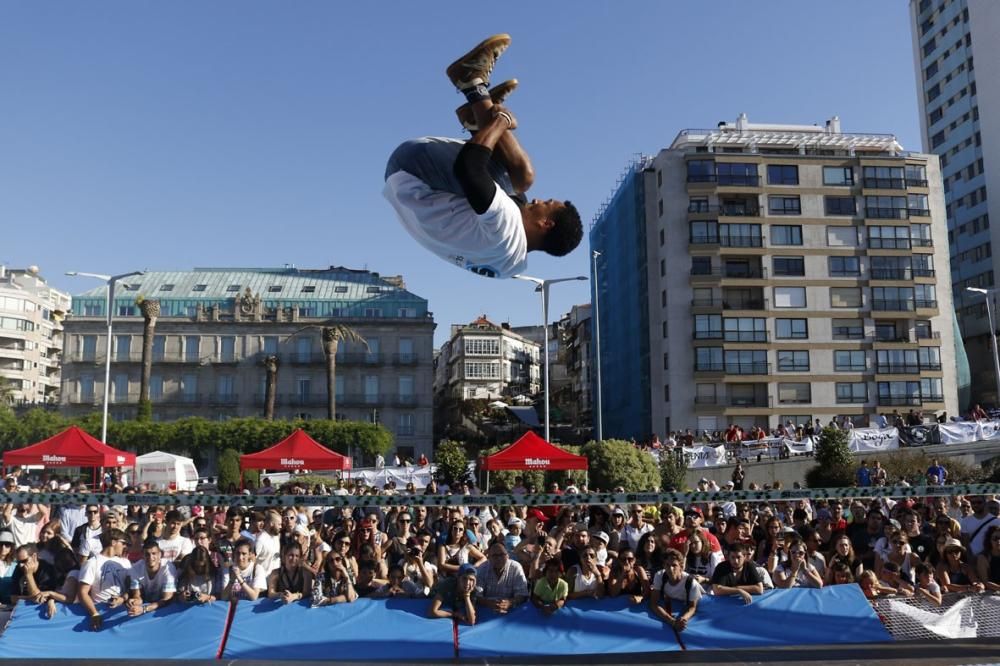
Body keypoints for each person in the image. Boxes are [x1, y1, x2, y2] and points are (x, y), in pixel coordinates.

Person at [383, 34, 583, 279]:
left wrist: (502, 121)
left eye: (546, 204)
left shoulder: (505, 226)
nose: (539, 200)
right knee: (515, 190)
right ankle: (479, 117)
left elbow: (468, 168)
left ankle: (472, 84)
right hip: (407, 189)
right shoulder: (510, 266)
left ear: (546, 224)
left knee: (523, 176)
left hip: (412, 170)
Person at [77, 528, 132, 630]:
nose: (125, 546)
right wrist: (94, 613)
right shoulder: (91, 563)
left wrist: (122, 598)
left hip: (122, 614)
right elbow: (82, 593)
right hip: (100, 612)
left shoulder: (126, 562)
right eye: (123, 543)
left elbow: (131, 588)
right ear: (113, 542)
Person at [650, 548, 702, 632]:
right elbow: (653, 603)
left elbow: (692, 607)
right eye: (667, 565)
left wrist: (683, 619)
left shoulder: (691, 582)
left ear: (681, 567)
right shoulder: (659, 576)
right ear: (664, 566)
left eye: (674, 565)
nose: (670, 568)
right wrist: (672, 621)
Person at [126, 541, 177, 617]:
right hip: (147, 603)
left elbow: (167, 599)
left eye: (154, 553)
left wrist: (144, 609)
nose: (150, 557)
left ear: (160, 555)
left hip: (163, 609)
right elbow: (137, 595)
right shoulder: (135, 568)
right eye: (147, 554)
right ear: (142, 555)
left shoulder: (168, 568)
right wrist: (135, 601)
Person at [476, 541, 528, 614]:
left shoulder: (516, 567)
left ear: (507, 555)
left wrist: (510, 603)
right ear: (489, 557)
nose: (499, 558)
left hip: (510, 611)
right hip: (487, 609)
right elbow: (476, 595)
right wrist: (488, 603)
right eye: (495, 555)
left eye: (502, 554)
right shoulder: (482, 568)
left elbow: (522, 594)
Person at [976, 526, 1000, 591]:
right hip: (991, 593)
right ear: (989, 540)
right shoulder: (983, 557)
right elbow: (985, 582)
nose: (998, 541)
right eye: (995, 538)